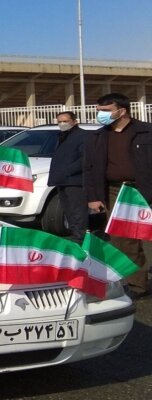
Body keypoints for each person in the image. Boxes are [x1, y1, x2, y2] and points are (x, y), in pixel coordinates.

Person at [83, 92, 152, 299]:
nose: (100, 115)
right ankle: (136, 284)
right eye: (99, 111)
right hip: (115, 192)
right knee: (123, 240)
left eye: (106, 111)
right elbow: (89, 169)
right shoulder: (97, 137)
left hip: (144, 190)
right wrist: (93, 197)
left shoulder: (146, 132)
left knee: (147, 239)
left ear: (122, 111)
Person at [47, 111, 88, 243]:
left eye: (65, 121)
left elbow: (85, 158)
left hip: (75, 180)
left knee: (77, 209)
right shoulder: (63, 136)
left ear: (74, 121)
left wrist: (69, 171)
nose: (62, 124)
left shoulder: (82, 136)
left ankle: (80, 236)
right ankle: (74, 233)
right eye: (59, 122)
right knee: (68, 209)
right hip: (62, 180)